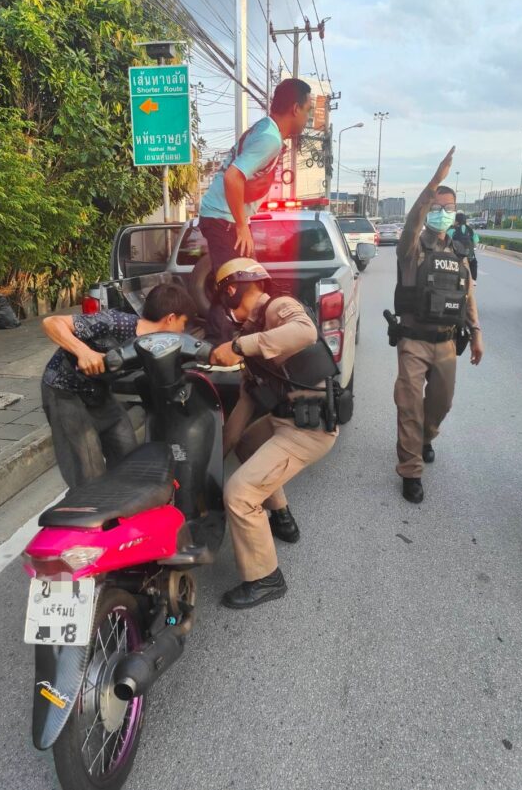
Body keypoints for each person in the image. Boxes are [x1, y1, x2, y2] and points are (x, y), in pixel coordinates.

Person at [210, 258, 339, 609]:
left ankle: (266, 579)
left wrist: (239, 348)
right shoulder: (251, 336)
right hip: (286, 421)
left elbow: (305, 332)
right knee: (247, 445)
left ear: (231, 290)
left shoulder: (278, 307)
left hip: (309, 430)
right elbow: (243, 411)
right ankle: (282, 517)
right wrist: (211, 463)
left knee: (239, 493)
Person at [393, 147, 484, 504]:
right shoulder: (411, 247)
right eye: (437, 207)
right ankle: (410, 470)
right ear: (428, 209)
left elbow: (468, 294)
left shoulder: (460, 251)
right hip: (413, 341)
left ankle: (426, 437)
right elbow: (413, 220)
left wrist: (476, 334)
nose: (443, 213)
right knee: (409, 407)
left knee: (440, 404)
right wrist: (435, 181)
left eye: (449, 208)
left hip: (447, 342)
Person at [41, 284, 196, 489]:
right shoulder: (116, 322)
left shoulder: (155, 346)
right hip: (65, 392)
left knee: (128, 457)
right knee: (89, 474)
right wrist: (83, 352)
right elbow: (51, 322)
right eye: (183, 324)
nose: (183, 331)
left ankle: (121, 505)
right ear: (170, 318)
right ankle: (89, 505)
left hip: (99, 392)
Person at [198, 78, 313, 341]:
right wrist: (241, 226)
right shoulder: (269, 139)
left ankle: (227, 343)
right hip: (223, 218)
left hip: (223, 216)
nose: (307, 118)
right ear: (295, 108)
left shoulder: (266, 129)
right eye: (307, 110)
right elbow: (233, 177)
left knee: (238, 283)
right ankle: (218, 348)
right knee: (235, 288)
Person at [451, 212, 479, 282]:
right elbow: (475, 242)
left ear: (456, 221)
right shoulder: (470, 230)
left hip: (455, 257)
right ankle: (473, 281)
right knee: (474, 262)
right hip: (469, 257)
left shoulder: (451, 230)